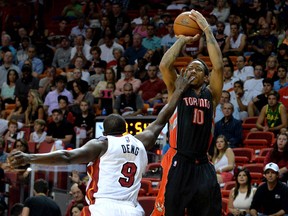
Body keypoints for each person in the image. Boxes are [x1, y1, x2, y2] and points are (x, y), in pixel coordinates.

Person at [8, 72, 192, 216]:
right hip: (132, 210)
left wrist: (29, 157)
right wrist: (179, 91)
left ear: (104, 133)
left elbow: (66, 156)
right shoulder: (141, 141)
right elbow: (162, 118)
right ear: (125, 129)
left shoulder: (102, 144)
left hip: (102, 209)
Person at [152, 9, 223, 216]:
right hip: (179, 162)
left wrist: (207, 31)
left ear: (206, 77)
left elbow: (218, 66)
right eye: (190, 68)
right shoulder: (178, 90)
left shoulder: (212, 94)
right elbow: (165, 65)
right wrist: (182, 39)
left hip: (202, 164)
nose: (193, 71)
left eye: (198, 69)